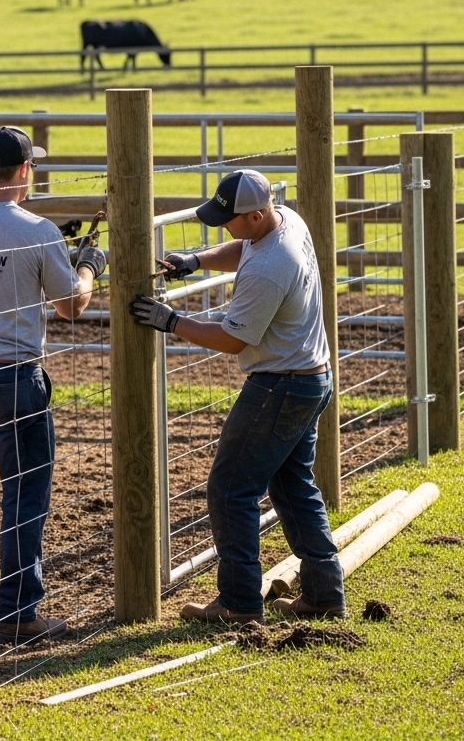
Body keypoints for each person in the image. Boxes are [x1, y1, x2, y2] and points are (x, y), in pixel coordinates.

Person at [131, 168, 345, 624]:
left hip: (279, 385)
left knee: (230, 490)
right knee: (293, 486)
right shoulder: (286, 219)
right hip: (309, 378)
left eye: (230, 219)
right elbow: (243, 247)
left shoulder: (272, 268)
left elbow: (232, 340)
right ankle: (325, 593)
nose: (224, 225)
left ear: (256, 214)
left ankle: (239, 603)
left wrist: (170, 321)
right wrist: (196, 260)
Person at [0, 126, 106, 645]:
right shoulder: (36, 230)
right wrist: (89, 267)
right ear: (26, 170)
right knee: (24, 497)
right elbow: (70, 305)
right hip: (12, 376)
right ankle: (18, 612)